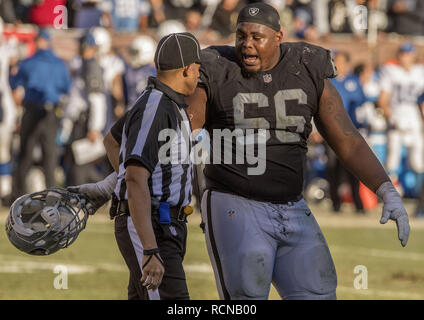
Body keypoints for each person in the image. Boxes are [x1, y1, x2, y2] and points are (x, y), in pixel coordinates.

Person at [70, 3, 410, 300]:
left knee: (319, 292)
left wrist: (384, 188)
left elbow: (346, 137)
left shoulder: (306, 64)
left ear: (279, 37)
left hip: (292, 205)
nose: (246, 44)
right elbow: (167, 134)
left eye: (256, 37)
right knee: (245, 297)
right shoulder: (214, 67)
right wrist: (121, 182)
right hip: (235, 202)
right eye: (241, 35)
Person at [69, 32, 201, 300]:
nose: (199, 76)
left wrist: (123, 181)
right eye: (197, 69)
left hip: (161, 221)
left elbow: (111, 141)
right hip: (151, 224)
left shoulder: (163, 101)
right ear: (188, 69)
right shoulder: (157, 107)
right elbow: (135, 178)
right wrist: (150, 249)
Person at [10, 29, 71, 201]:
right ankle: (53, 197)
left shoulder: (29, 62)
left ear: (37, 42)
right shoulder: (59, 64)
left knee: (25, 155)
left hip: (32, 110)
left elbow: (14, 81)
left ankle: (18, 196)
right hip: (51, 113)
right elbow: (66, 87)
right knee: (50, 156)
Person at [60, 33, 108, 186]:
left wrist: (95, 127)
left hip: (84, 120)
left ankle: (83, 199)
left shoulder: (91, 66)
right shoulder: (84, 64)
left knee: (80, 163)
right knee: (75, 162)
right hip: (79, 119)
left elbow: (97, 99)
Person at [378, 43, 424, 184]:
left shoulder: (420, 71)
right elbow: (383, 100)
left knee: (418, 161)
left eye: (408, 54)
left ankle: (420, 195)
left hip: (415, 119)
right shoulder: (390, 71)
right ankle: (390, 193)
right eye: (403, 54)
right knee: (392, 160)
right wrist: (391, 118)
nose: (405, 57)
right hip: (397, 117)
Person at [327, 51, 367, 213]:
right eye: (336, 61)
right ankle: (335, 203)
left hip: (350, 131)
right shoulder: (327, 81)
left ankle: (358, 204)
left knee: (353, 167)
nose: (339, 64)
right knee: (333, 167)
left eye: (342, 61)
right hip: (330, 130)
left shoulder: (353, 81)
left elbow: (361, 104)